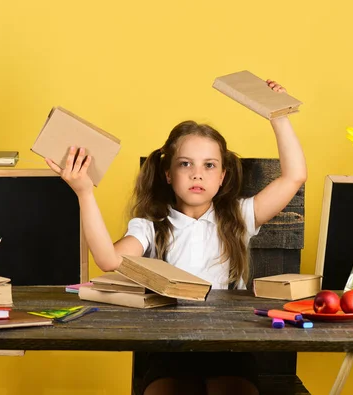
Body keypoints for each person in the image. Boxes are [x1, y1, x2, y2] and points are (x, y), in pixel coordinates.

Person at [46, 80, 307, 395]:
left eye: (209, 165)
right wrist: (84, 192)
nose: (197, 174)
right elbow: (107, 259)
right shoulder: (150, 226)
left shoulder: (239, 217)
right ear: (168, 174)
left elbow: (294, 176)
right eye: (186, 164)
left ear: (222, 176)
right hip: (170, 346)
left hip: (230, 345)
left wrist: (278, 115)